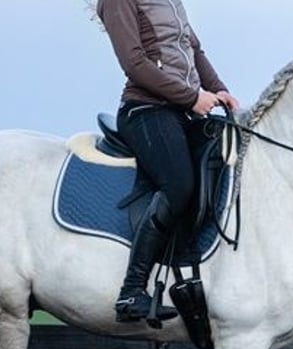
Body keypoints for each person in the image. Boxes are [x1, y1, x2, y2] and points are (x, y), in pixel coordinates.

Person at [96, 0, 240, 325]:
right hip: (145, 111)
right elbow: (134, 63)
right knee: (178, 185)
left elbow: (194, 50)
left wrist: (218, 89)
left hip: (180, 112)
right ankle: (132, 290)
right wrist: (192, 97)